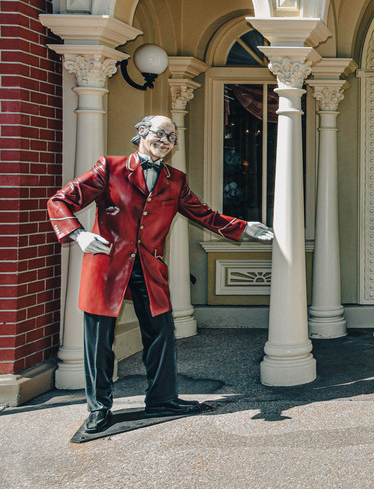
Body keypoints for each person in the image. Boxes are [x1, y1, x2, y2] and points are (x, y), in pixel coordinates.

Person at [48, 115, 274, 434]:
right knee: (99, 341)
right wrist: (78, 234)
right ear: (141, 133)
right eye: (161, 133)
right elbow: (60, 200)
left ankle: (162, 398)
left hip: (149, 266)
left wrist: (243, 226)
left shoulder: (175, 179)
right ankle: (99, 408)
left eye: (172, 137)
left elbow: (203, 214)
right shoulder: (108, 168)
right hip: (107, 267)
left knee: (161, 333)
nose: (166, 141)